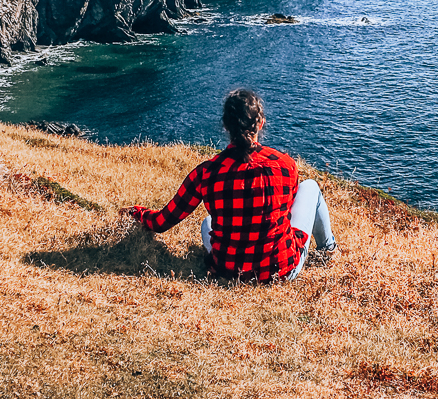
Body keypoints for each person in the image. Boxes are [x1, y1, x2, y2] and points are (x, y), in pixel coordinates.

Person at [120, 89, 336, 282]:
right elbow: (284, 214)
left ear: (225, 126)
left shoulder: (206, 172)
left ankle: (236, 259)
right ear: (260, 124)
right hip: (281, 269)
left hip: (228, 271)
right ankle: (328, 249)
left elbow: (162, 222)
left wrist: (136, 213)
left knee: (207, 222)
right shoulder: (285, 165)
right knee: (310, 187)